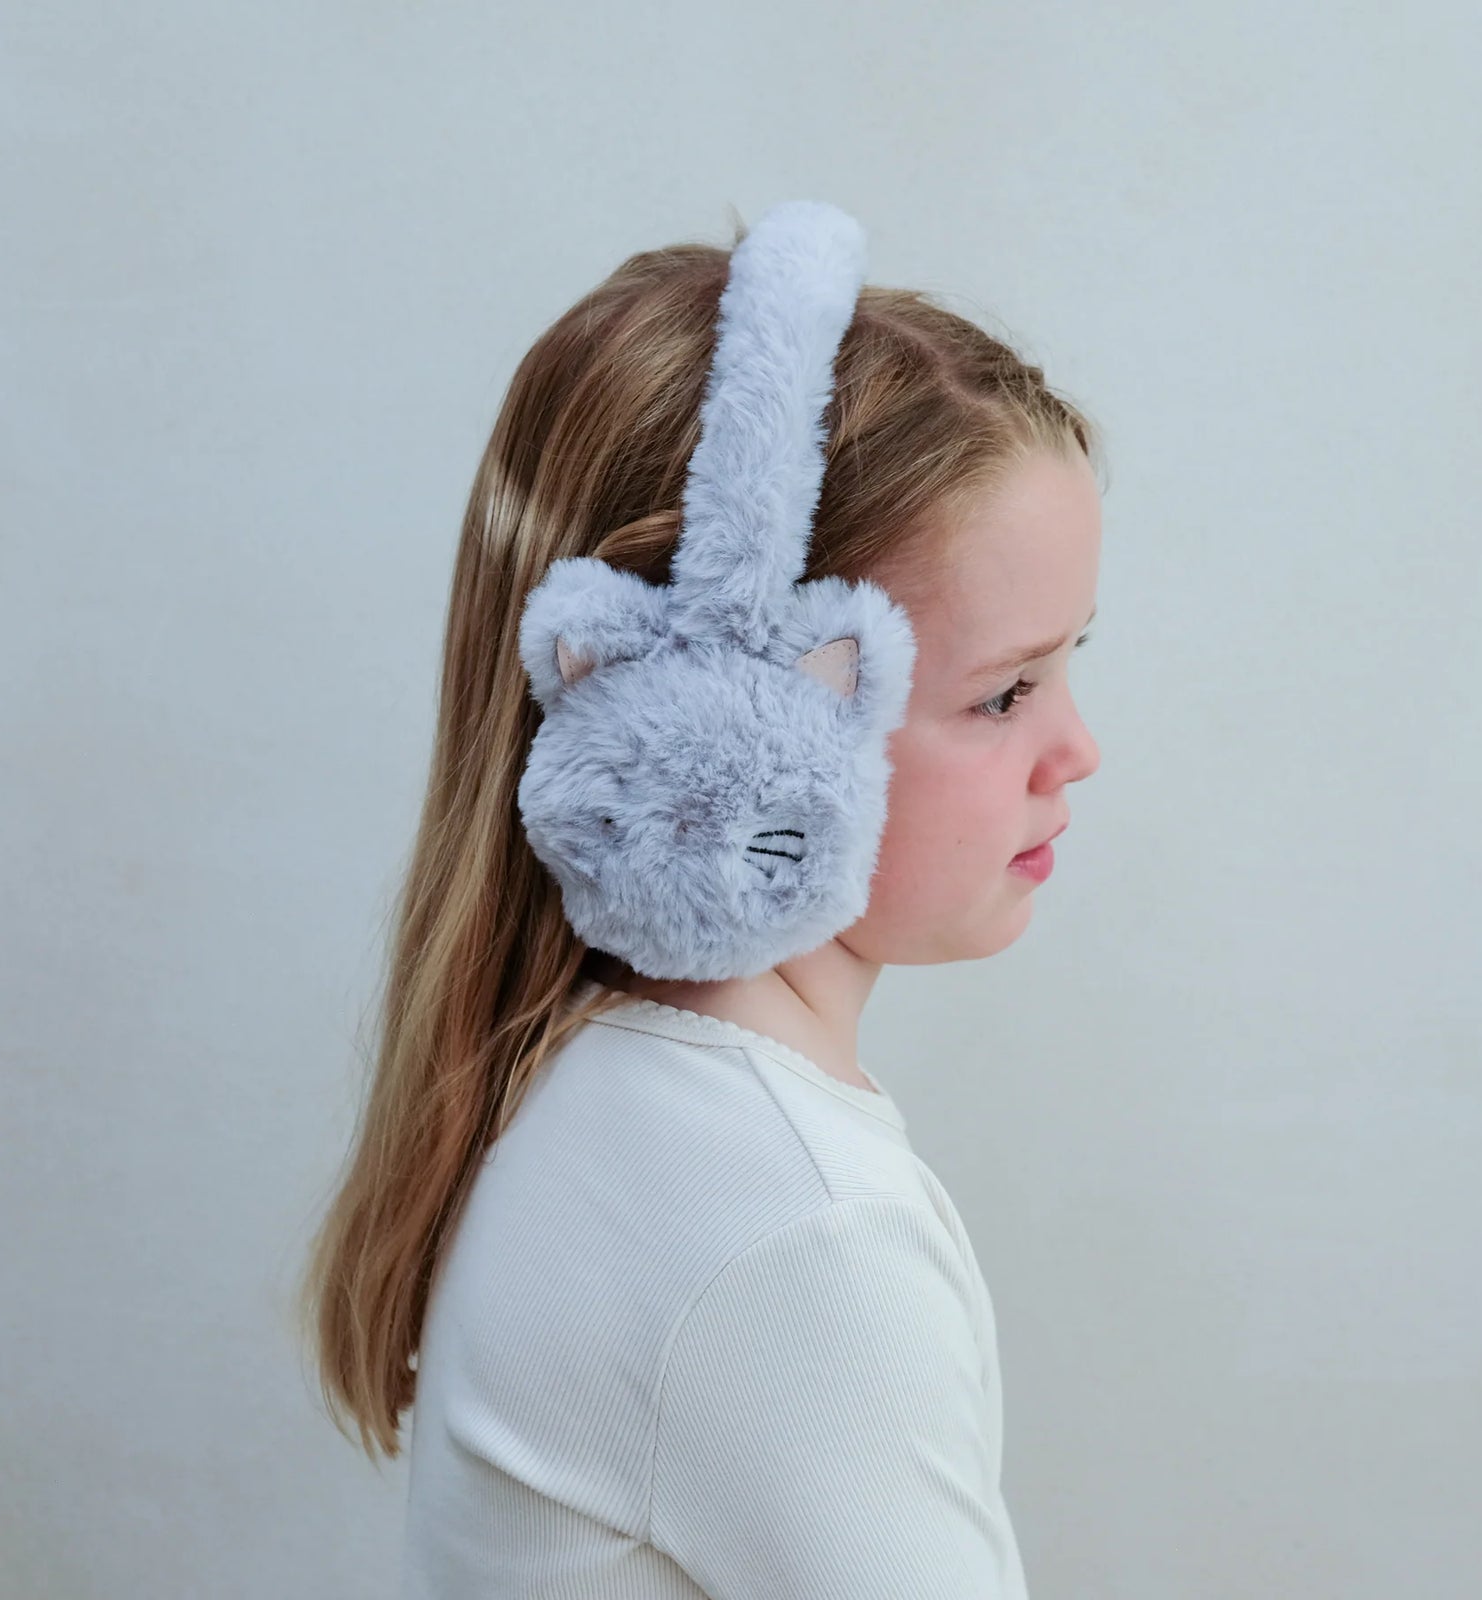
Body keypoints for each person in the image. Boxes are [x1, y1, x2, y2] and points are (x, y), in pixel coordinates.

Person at [298, 209, 1104, 1598]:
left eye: (1071, 663)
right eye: (1006, 692)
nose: (1076, 748)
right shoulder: (794, 1239)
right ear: (718, 732)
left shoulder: (614, 1105)